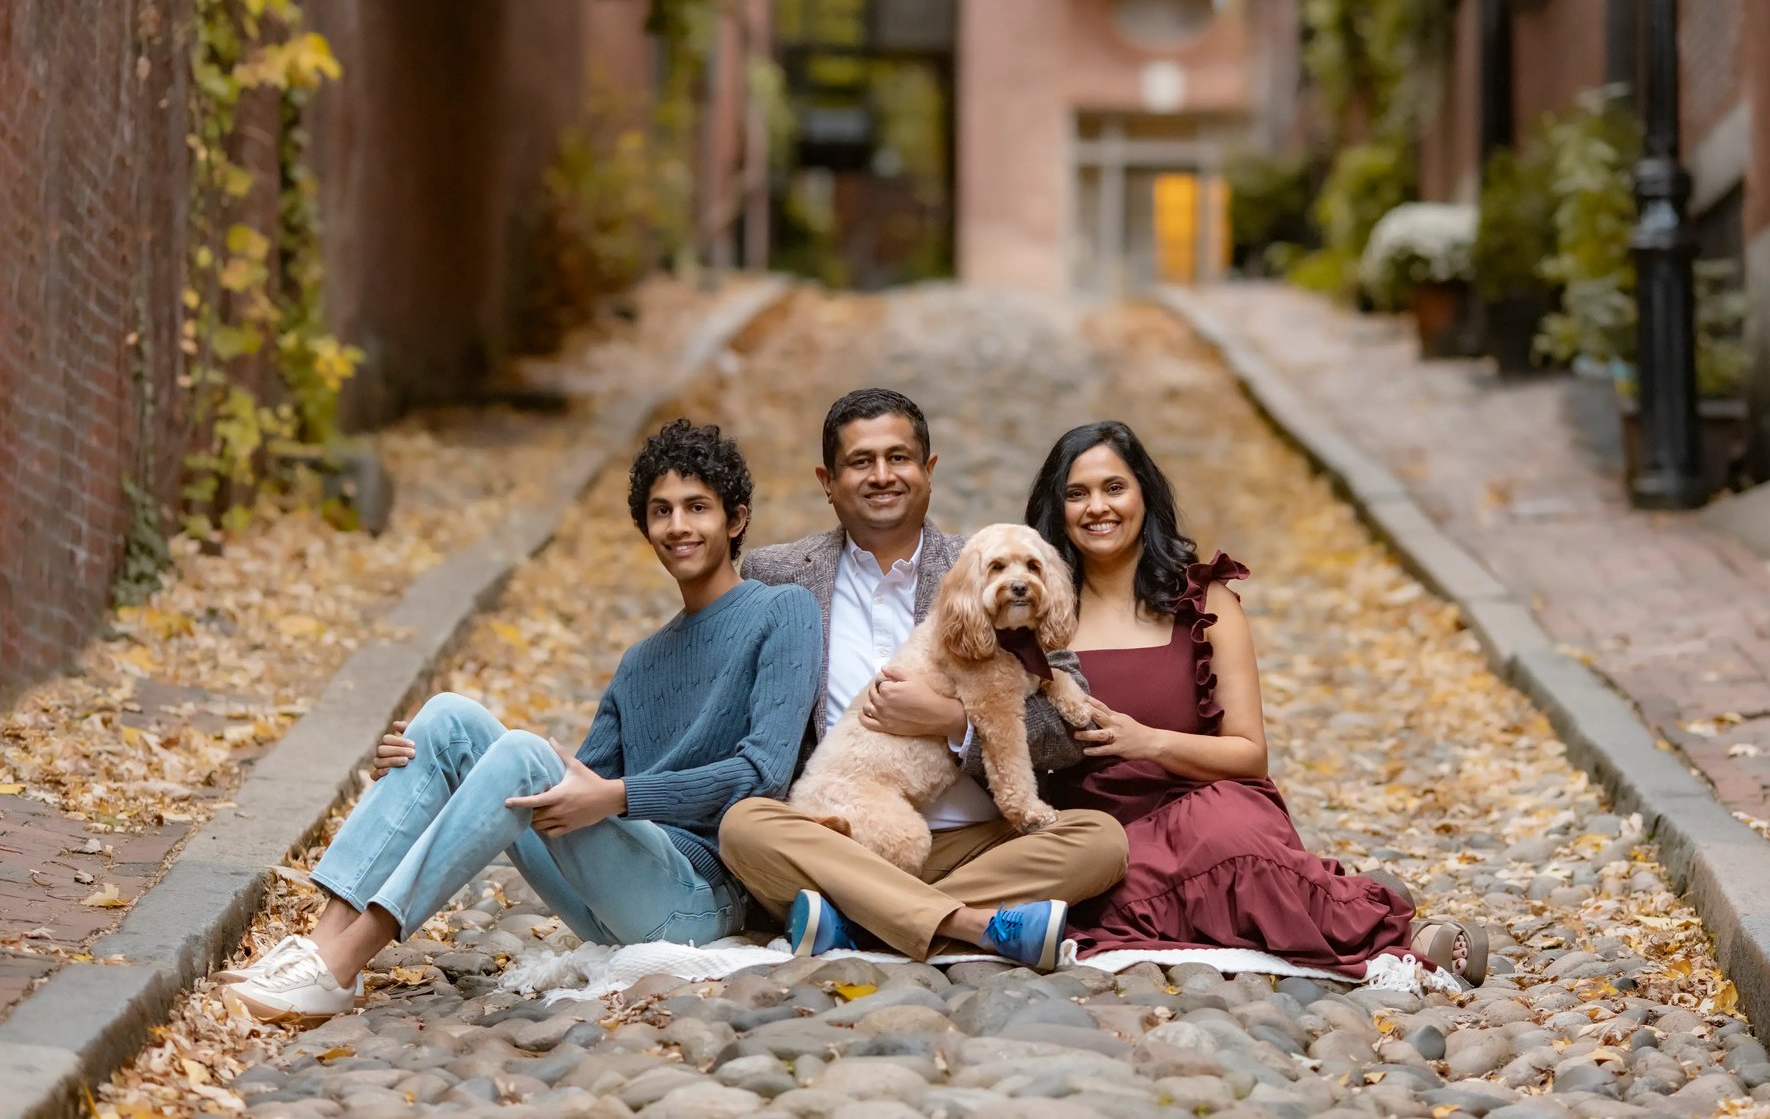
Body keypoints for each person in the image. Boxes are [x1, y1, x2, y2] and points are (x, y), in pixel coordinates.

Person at [221, 420, 822, 1024]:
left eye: (698, 508)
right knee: (447, 718)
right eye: (661, 511)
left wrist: (619, 796)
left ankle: (345, 961)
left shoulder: (781, 611)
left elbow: (762, 775)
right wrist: (423, 765)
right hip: (608, 898)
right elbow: (568, 793)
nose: (678, 526)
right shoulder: (641, 663)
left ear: (736, 520)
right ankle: (323, 951)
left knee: (526, 752)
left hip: (699, 896)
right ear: (646, 527)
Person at [1024, 420, 1488, 983]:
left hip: (1212, 808)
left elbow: (1249, 755)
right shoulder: (1036, 614)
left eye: (1113, 488)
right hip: (1104, 838)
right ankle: (1336, 893)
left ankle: (1386, 926)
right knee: (1110, 893)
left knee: (1228, 840)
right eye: (1077, 494)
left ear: (1145, 493)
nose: (1097, 507)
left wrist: (1148, 742)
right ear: (1057, 509)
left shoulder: (1205, 603)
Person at [719, 388, 1127, 971]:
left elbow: (1067, 732)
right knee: (744, 827)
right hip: (840, 838)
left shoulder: (992, 562)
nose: (882, 475)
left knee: (1102, 841)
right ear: (827, 481)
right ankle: (975, 926)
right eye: (861, 462)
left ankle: (862, 923)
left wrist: (955, 724)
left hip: (980, 844)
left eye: (899, 458)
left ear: (928, 470)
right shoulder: (778, 575)